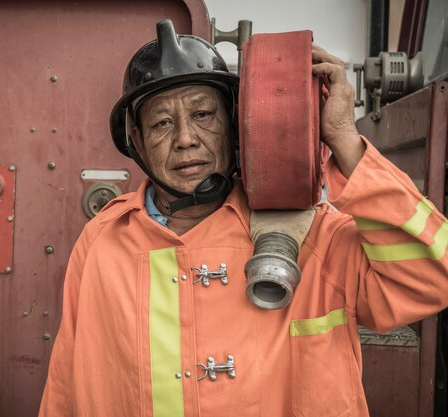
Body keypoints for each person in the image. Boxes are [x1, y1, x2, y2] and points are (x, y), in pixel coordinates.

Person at [39, 19, 448, 417]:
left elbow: (433, 277)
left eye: (203, 115)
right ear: (137, 141)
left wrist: (343, 138)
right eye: (162, 122)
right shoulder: (101, 243)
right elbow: (65, 389)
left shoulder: (313, 234)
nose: (185, 139)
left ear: (235, 125)